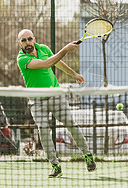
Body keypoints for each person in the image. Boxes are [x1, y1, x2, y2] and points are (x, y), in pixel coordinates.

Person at [17, 29, 96, 178]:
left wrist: (74, 74)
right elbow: (48, 64)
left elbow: (57, 62)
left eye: (29, 39)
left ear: (34, 39)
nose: (27, 42)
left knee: (71, 124)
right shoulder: (21, 59)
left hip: (55, 95)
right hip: (37, 100)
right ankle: (55, 165)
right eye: (24, 40)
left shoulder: (44, 49)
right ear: (19, 43)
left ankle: (87, 155)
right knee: (44, 130)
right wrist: (65, 49)